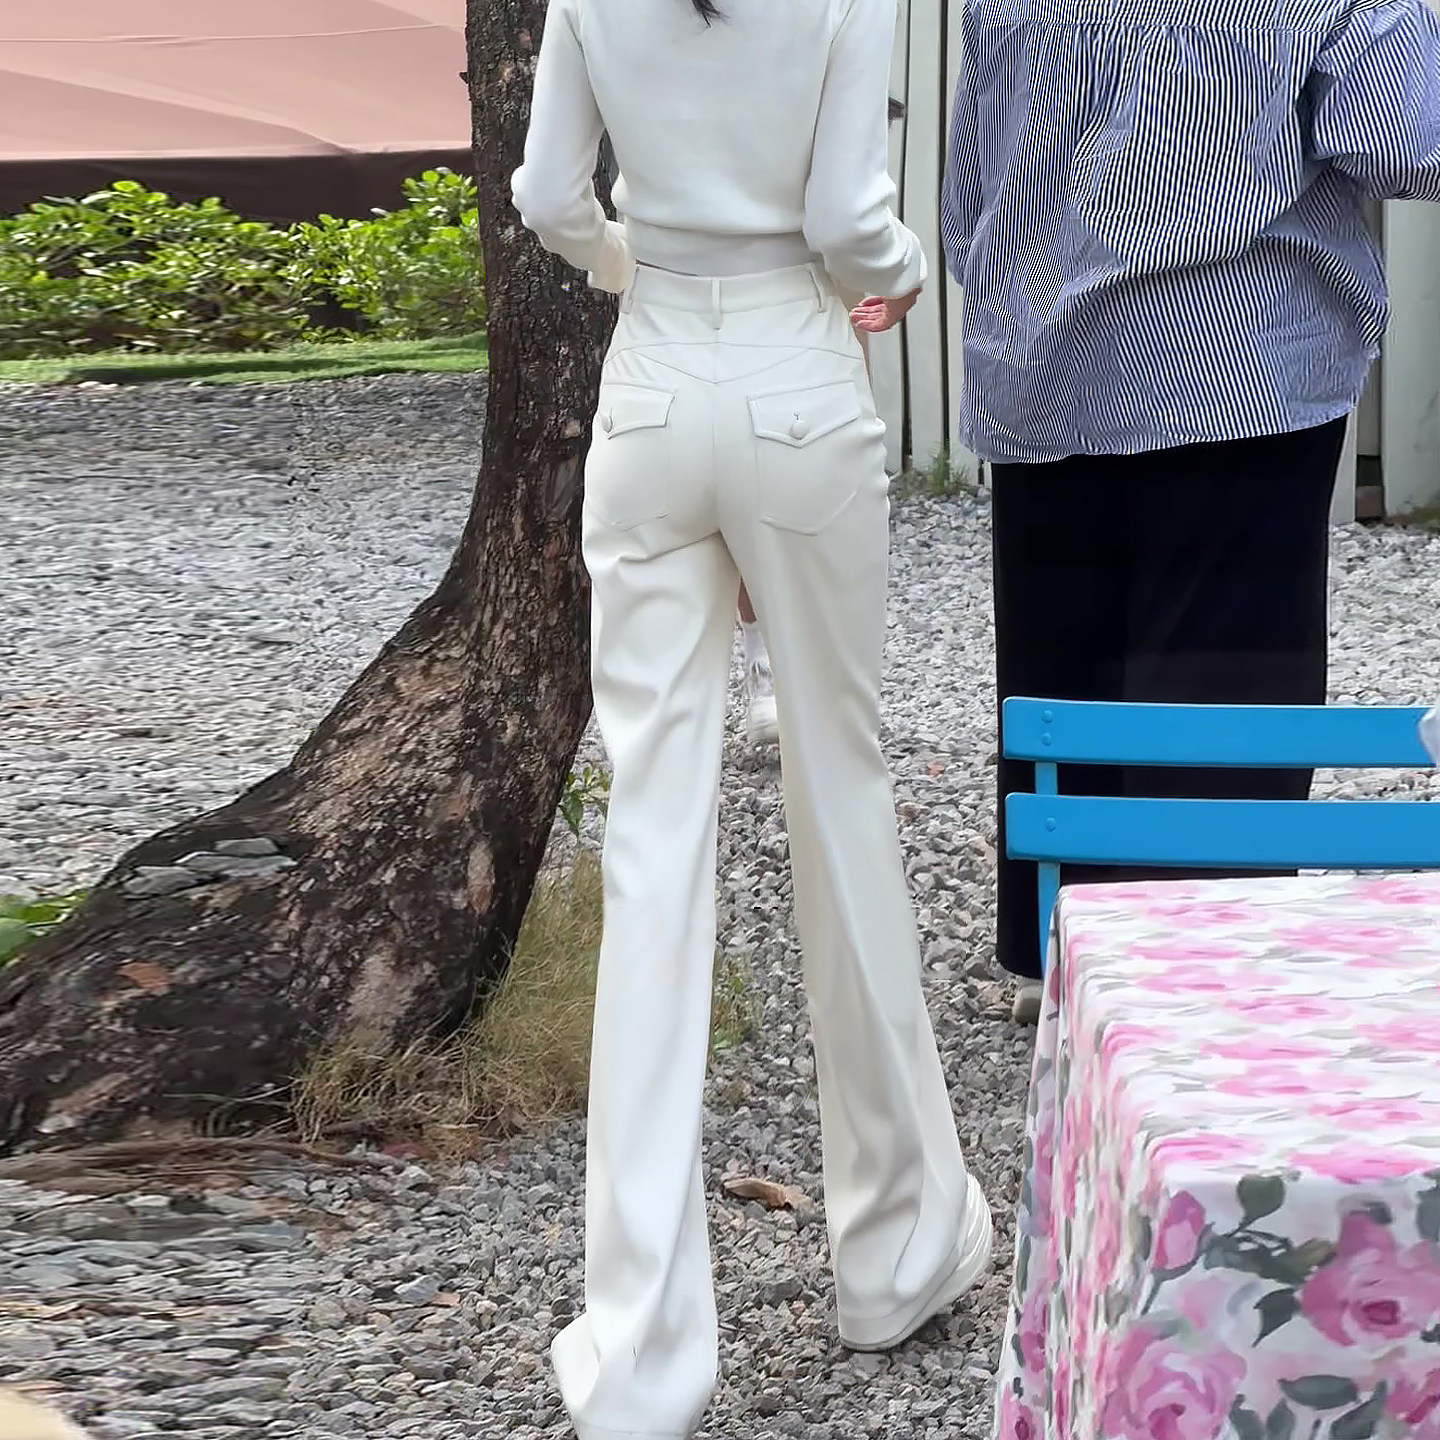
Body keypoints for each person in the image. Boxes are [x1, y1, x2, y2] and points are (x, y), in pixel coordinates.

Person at [512, 1, 993, 1435]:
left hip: (653, 388)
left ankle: (640, 1352)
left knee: (654, 846)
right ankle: (896, 1250)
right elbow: (850, 223)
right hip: (796, 380)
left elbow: (549, 196)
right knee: (843, 796)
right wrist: (899, 275)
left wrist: (629, 262)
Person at [941, 0, 1440, 1024]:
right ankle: (1199, 961)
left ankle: (1068, 945)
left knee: (1063, 648)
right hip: (1243, 355)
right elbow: (1404, 137)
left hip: (1046, 353)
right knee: (1226, 665)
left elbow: (968, 198)